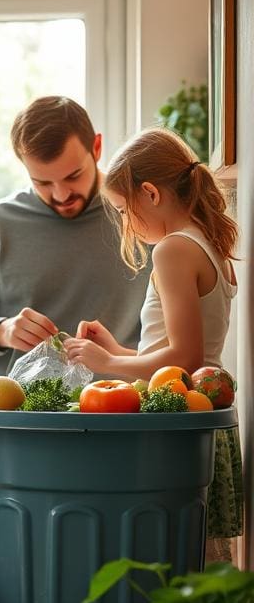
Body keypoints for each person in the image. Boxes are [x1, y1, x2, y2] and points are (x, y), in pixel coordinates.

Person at [63, 127, 241, 561]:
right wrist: (120, 353)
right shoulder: (208, 243)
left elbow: (185, 359)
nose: (125, 221)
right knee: (202, 564)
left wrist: (108, 362)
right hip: (196, 409)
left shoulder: (173, 250)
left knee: (175, 567)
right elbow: (177, 353)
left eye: (124, 209)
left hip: (176, 417)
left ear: (150, 193)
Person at [0, 96, 149, 379]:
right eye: (43, 182)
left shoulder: (143, 215)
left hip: (119, 412)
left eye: (74, 176)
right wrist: (2, 331)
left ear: (96, 148)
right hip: (16, 417)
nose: (61, 195)